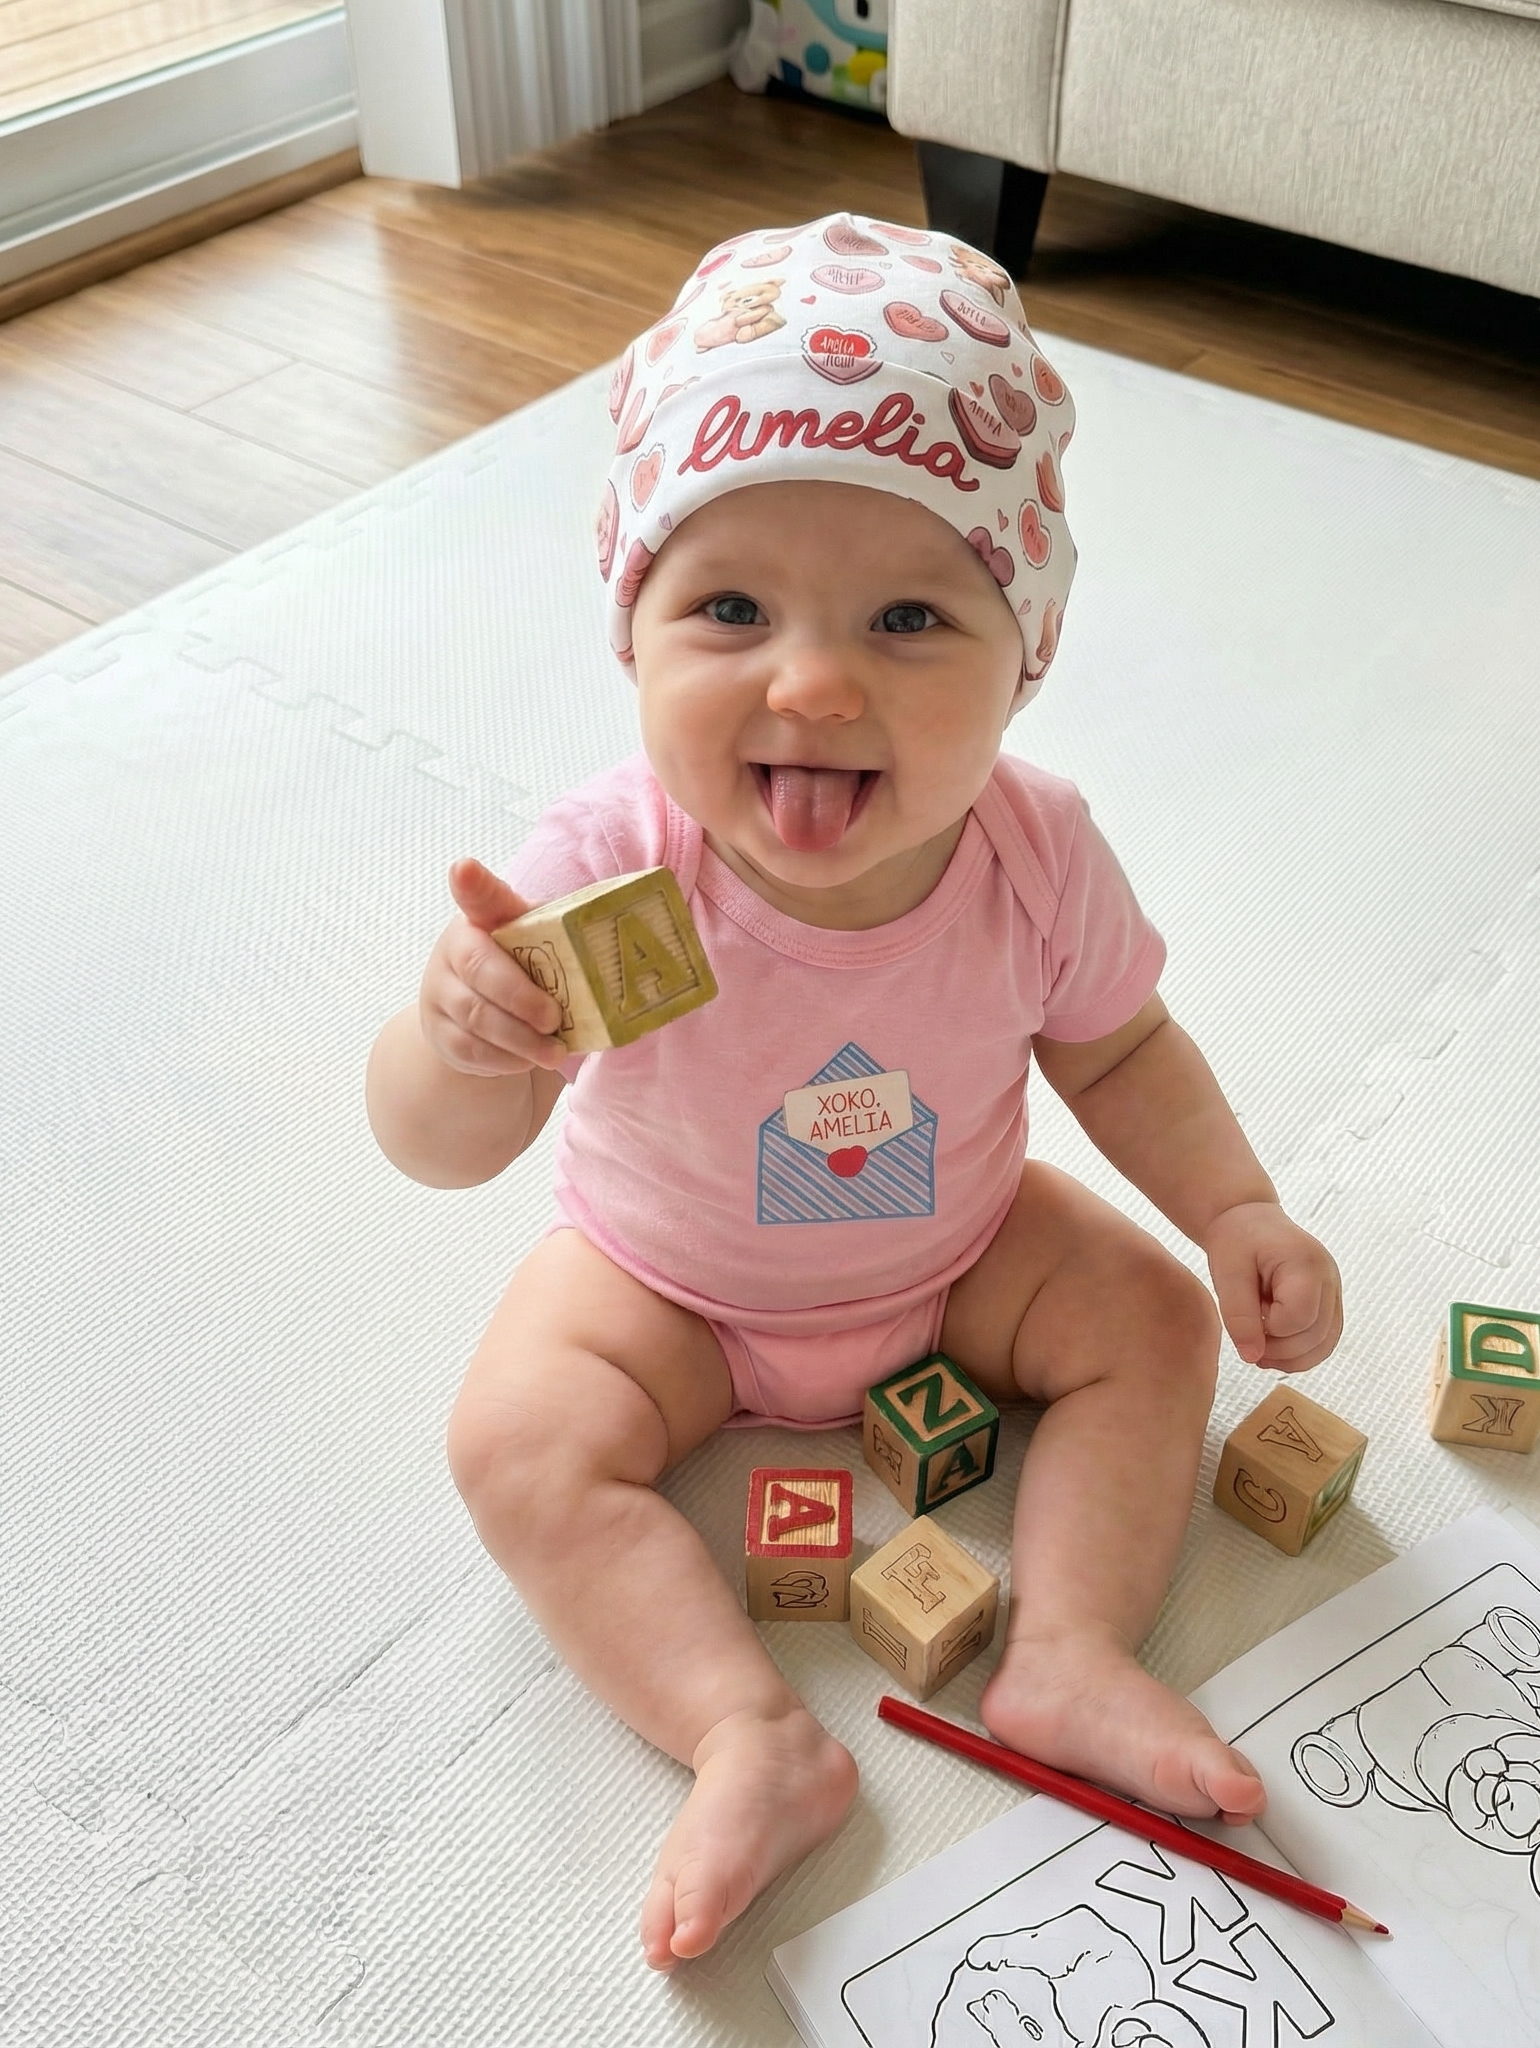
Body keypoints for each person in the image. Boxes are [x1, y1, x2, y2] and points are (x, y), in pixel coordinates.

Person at [364, 213, 1343, 1971]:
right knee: (510, 1440)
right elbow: (440, 1154)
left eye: (908, 617)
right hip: (661, 1287)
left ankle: (1068, 1655)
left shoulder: (1037, 854)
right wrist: (457, 1043)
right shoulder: (614, 870)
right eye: (730, 608)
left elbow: (1120, 1049)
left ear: (1024, 647)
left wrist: (1234, 1210)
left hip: (957, 1255)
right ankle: (750, 1734)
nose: (811, 685)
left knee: (1147, 1316)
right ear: (634, 630)